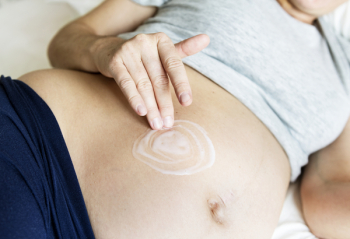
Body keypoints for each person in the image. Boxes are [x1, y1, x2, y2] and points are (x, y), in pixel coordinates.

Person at [0, 0, 349, 238]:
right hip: (43, 153)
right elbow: (67, 39)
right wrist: (103, 50)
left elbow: (329, 188)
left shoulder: (344, 68)